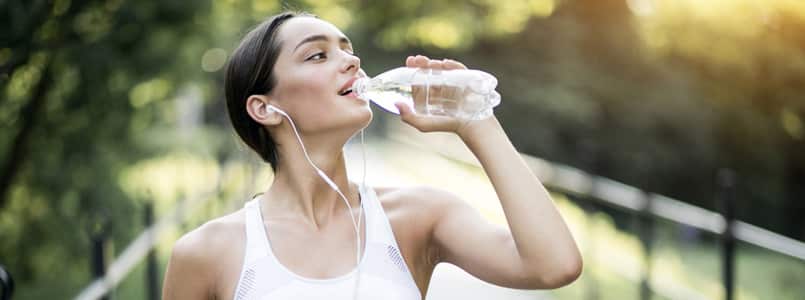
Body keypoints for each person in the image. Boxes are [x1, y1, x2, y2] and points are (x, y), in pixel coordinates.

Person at [162, 11, 582, 300]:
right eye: (318, 55)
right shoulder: (206, 252)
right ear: (265, 108)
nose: (352, 61)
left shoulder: (418, 216)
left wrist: (476, 121)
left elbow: (553, 265)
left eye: (347, 49)